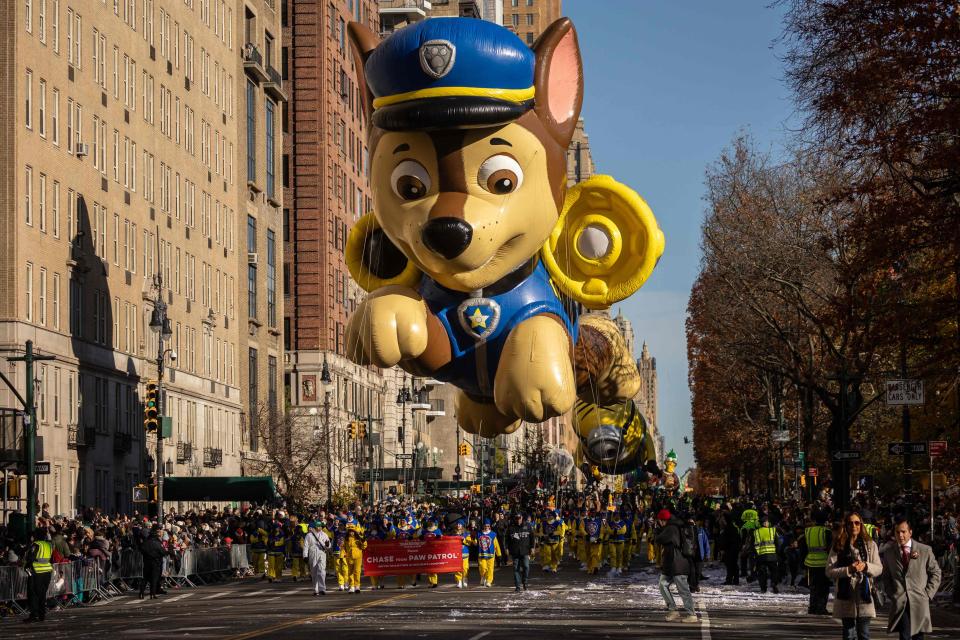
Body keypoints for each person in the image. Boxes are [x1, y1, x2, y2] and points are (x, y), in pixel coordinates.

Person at [881, 517, 942, 640]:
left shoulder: (924, 550)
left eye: (903, 531)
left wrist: (928, 594)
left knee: (918, 636)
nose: (900, 535)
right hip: (900, 601)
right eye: (897, 532)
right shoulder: (889, 552)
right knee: (905, 635)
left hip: (919, 600)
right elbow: (886, 577)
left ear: (910, 532)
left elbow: (936, 573)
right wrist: (892, 593)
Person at [826, 512, 882, 640]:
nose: (854, 526)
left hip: (864, 596)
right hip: (846, 596)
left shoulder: (870, 545)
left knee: (864, 634)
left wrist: (866, 566)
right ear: (845, 525)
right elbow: (829, 571)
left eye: (857, 523)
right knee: (849, 634)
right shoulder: (838, 546)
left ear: (861, 525)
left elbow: (879, 568)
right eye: (850, 523)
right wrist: (849, 569)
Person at [654, 509, 698, 624]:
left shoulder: (671, 528)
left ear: (662, 520)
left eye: (659, 521)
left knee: (683, 590)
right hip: (671, 564)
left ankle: (691, 614)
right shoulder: (672, 526)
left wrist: (657, 530)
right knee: (662, 585)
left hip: (678, 564)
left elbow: (658, 539)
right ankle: (673, 610)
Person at [803, 511, 832, 615]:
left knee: (814, 586)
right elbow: (831, 548)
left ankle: (812, 607)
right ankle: (821, 608)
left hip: (810, 562)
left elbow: (804, 547)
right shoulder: (827, 531)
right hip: (823, 562)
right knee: (824, 587)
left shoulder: (808, 531)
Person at [23, 527, 54, 623]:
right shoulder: (49, 545)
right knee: (42, 594)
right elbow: (51, 558)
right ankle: (42, 614)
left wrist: (26, 566)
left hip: (36, 572)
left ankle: (34, 615)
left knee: (33, 594)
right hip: (47, 571)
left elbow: (30, 558)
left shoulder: (36, 545)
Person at [506, 512, 534, 591]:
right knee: (516, 569)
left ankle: (525, 582)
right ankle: (517, 586)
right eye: (516, 518)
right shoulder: (511, 527)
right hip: (515, 551)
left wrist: (532, 547)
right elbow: (507, 539)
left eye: (519, 518)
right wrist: (506, 548)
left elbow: (532, 537)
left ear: (522, 518)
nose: (518, 520)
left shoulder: (528, 526)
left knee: (526, 566)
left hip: (525, 550)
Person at [138, 524, 168, 600]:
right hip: (156, 562)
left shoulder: (146, 542)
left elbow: (142, 549)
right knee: (154, 579)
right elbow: (163, 552)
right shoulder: (157, 543)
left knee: (145, 578)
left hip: (147, 562)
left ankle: (141, 593)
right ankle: (152, 594)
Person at [753, 514, 781, 594]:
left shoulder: (756, 532)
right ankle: (773, 583)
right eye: (768, 522)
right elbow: (777, 543)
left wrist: (755, 556)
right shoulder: (772, 530)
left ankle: (763, 588)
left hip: (761, 556)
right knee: (774, 571)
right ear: (766, 523)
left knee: (762, 573)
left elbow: (754, 545)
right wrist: (777, 554)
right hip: (772, 555)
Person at [302, 521, 331, 596]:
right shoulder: (309, 535)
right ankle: (316, 588)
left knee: (322, 571)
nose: (319, 528)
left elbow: (328, 545)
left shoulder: (324, 534)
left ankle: (322, 589)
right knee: (314, 572)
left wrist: (327, 545)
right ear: (315, 527)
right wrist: (305, 556)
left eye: (320, 526)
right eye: (317, 526)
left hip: (322, 553)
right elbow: (306, 546)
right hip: (312, 554)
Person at [477, 519, 501, 587]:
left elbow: (496, 544)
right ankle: (483, 576)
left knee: (490, 568)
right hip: (481, 554)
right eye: (485, 526)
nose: (486, 527)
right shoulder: (479, 534)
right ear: (483, 526)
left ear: (489, 526)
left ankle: (489, 581)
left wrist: (498, 553)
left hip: (491, 554)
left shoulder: (493, 534)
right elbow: (476, 542)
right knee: (483, 567)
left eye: (487, 526)